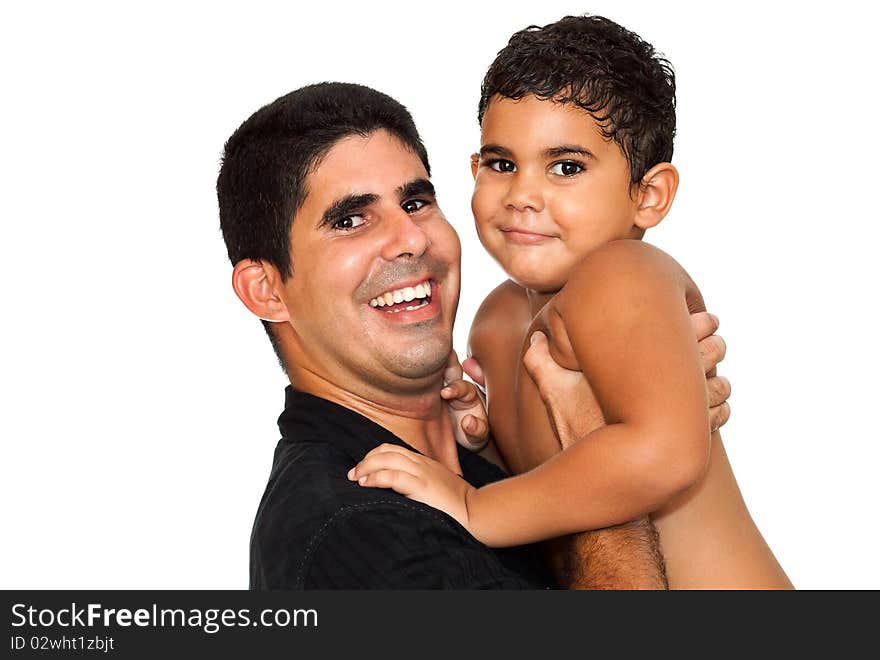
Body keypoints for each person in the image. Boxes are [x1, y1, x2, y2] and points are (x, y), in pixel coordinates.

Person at [217, 81, 730, 589]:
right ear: (266, 290)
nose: (411, 239)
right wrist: (600, 445)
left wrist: (505, 447)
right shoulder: (359, 531)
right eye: (352, 219)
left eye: (416, 203)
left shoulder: (473, 455)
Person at [350, 15, 792, 589]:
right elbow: (563, 488)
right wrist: (478, 444)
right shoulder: (496, 319)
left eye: (567, 167)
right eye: (502, 164)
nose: (524, 196)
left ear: (649, 195)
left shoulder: (623, 274)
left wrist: (476, 505)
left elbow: (665, 456)